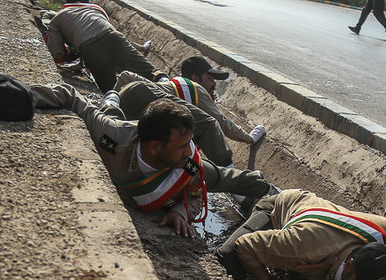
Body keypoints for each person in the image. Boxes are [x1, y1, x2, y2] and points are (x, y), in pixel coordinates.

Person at [31, 83, 274, 238]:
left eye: (190, 144)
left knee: (222, 177)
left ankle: (267, 188)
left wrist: (181, 211)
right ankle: (112, 98)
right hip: (123, 133)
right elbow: (70, 95)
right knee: (111, 116)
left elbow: (196, 196)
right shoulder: (113, 140)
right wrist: (23, 96)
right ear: (156, 147)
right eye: (181, 146)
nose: (189, 153)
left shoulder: (188, 163)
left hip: (153, 148)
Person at [216, 189, 386, 280]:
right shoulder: (300, 247)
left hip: (313, 220)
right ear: (350, 263)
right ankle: (258, 195)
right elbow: (245, 245)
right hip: (277, 209)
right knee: (226, 257)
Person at [112, 69, 263, 169]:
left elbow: (126, 75)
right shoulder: (198, 90)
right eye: (210, 78)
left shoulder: (172, 84)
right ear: (195, 78)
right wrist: (249, 138)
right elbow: (220, 122)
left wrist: (110, 99)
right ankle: (239, 193)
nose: (214, 84)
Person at [43, 2, 159, 92]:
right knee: (150, 73)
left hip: (89, 50)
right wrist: (142, 48)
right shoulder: (95, 9)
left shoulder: (57, 19)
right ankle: (169, 86)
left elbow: (55, 52)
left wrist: (68, 54)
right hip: (114, 38)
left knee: (111, 91)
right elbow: (112, 35)